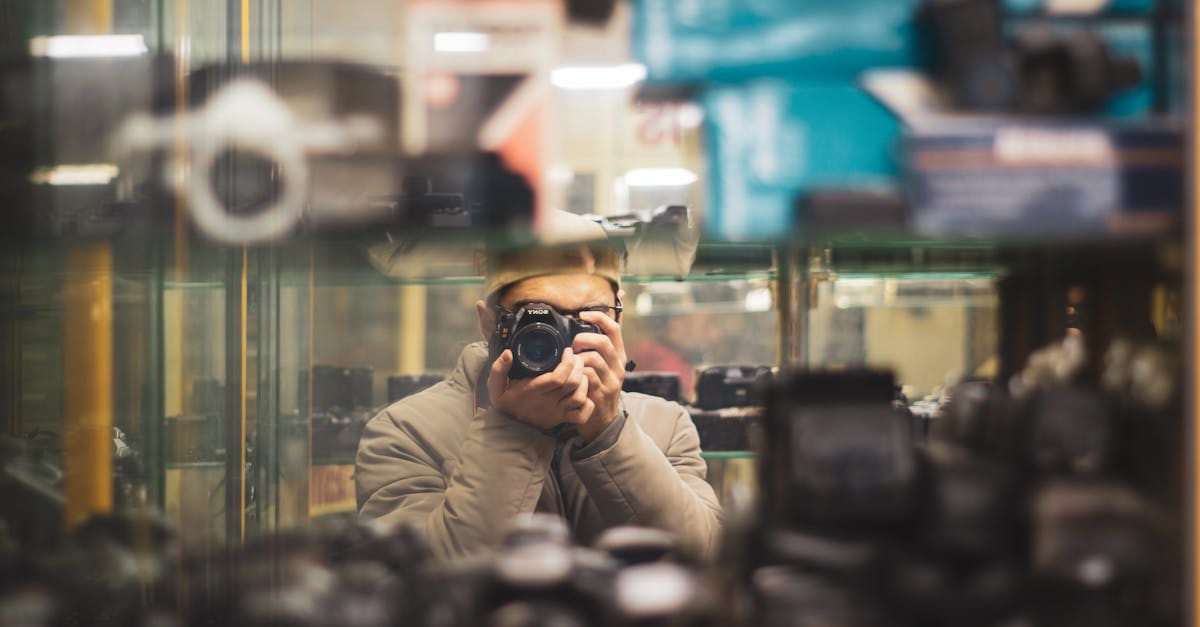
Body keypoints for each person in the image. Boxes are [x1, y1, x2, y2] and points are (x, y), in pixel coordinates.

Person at [355, 214, 721, 559]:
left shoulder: (665, 424)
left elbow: (701, 557)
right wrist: (513, 432)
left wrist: (609, 433)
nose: (561, 341)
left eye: (587, 318)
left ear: (617, 318)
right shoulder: (406, 432)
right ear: (489, 323)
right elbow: (416, 576)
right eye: (540, 319)